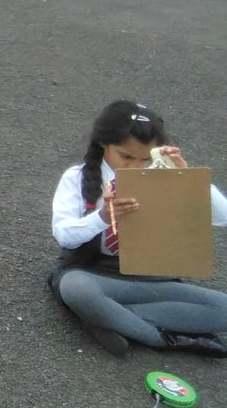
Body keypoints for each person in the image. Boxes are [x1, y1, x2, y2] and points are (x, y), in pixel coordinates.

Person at [48, 100, 227, 356]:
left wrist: (188, 179)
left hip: (146, 279)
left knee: (223, 309)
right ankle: (162, 338)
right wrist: (102, 217)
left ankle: (106, 318)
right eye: (126, 156)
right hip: (93, 273)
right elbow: (64, 235)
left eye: (144, 159)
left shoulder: (160, 176)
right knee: (76, 289)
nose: (135, 166)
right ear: (103, 143)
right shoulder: (77, 177)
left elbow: (223, 217)